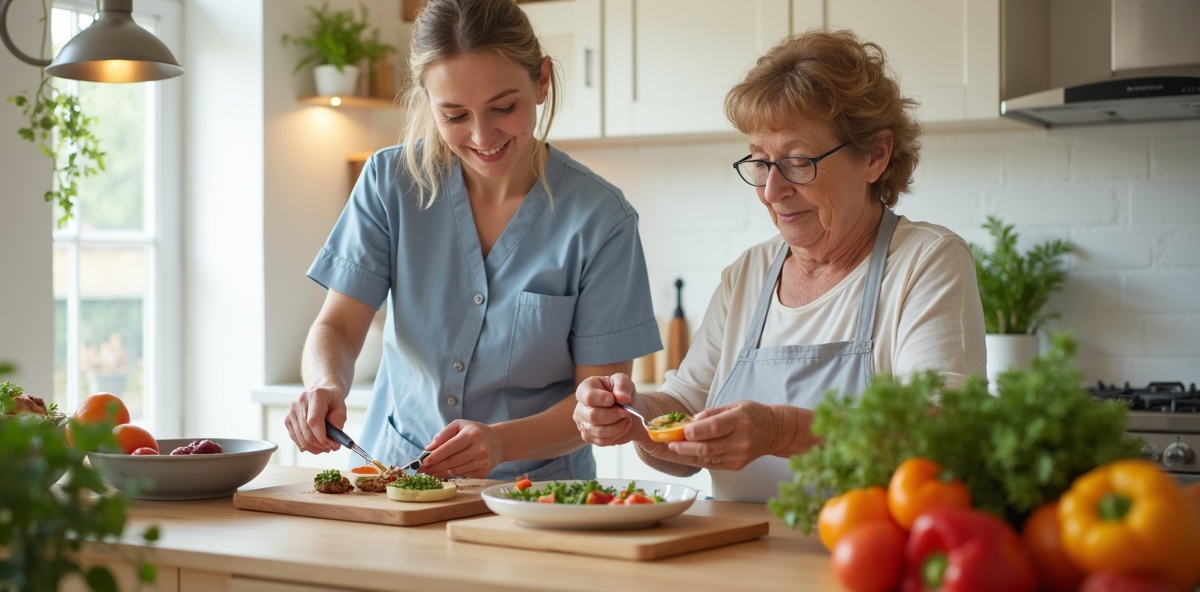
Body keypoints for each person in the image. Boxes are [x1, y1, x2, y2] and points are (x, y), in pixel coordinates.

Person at [572, 29, 986, 503]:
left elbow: (943, 436)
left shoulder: (926, 262)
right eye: (761, 163)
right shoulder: (747, 275)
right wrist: (636, 416)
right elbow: (685, 407)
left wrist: (782, 431)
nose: (772, 191)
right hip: (734, 558)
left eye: (797, 162)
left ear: (875, 155)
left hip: (862, 561)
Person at [285, 0, 661, 482]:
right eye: (455, 114)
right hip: (393, 476)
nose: (483, 136)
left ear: (541, 81)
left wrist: (503, 441)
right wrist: (324, 384)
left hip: (536, 497)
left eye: (504, 107)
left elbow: (598, 402)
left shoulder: (601, 219)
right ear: (427, 101)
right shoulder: (388, 183)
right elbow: (337, 326)